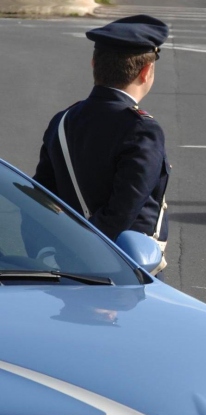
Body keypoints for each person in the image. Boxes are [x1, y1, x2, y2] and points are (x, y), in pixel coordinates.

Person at [34, 15, 170, 275]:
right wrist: (89, 254)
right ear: (146, 71)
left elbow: (40, 198)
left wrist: (52, 252)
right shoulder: (142, 129)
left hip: (66, 260)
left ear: (94, 63)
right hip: (123, 267)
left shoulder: (64, 120)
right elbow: (123, 210)